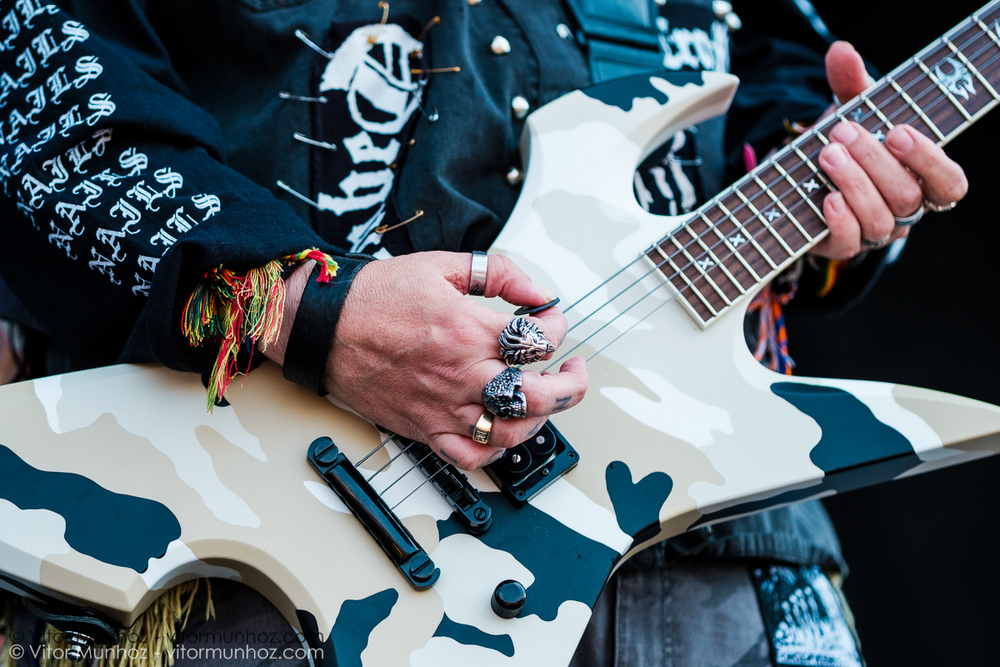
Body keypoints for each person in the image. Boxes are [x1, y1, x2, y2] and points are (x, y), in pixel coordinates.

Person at [0, 0, 968, 665]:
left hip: (723, 547)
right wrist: (310, 311)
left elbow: (775, 92)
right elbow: (48, 113)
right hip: (263, 541)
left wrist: (838, 189)